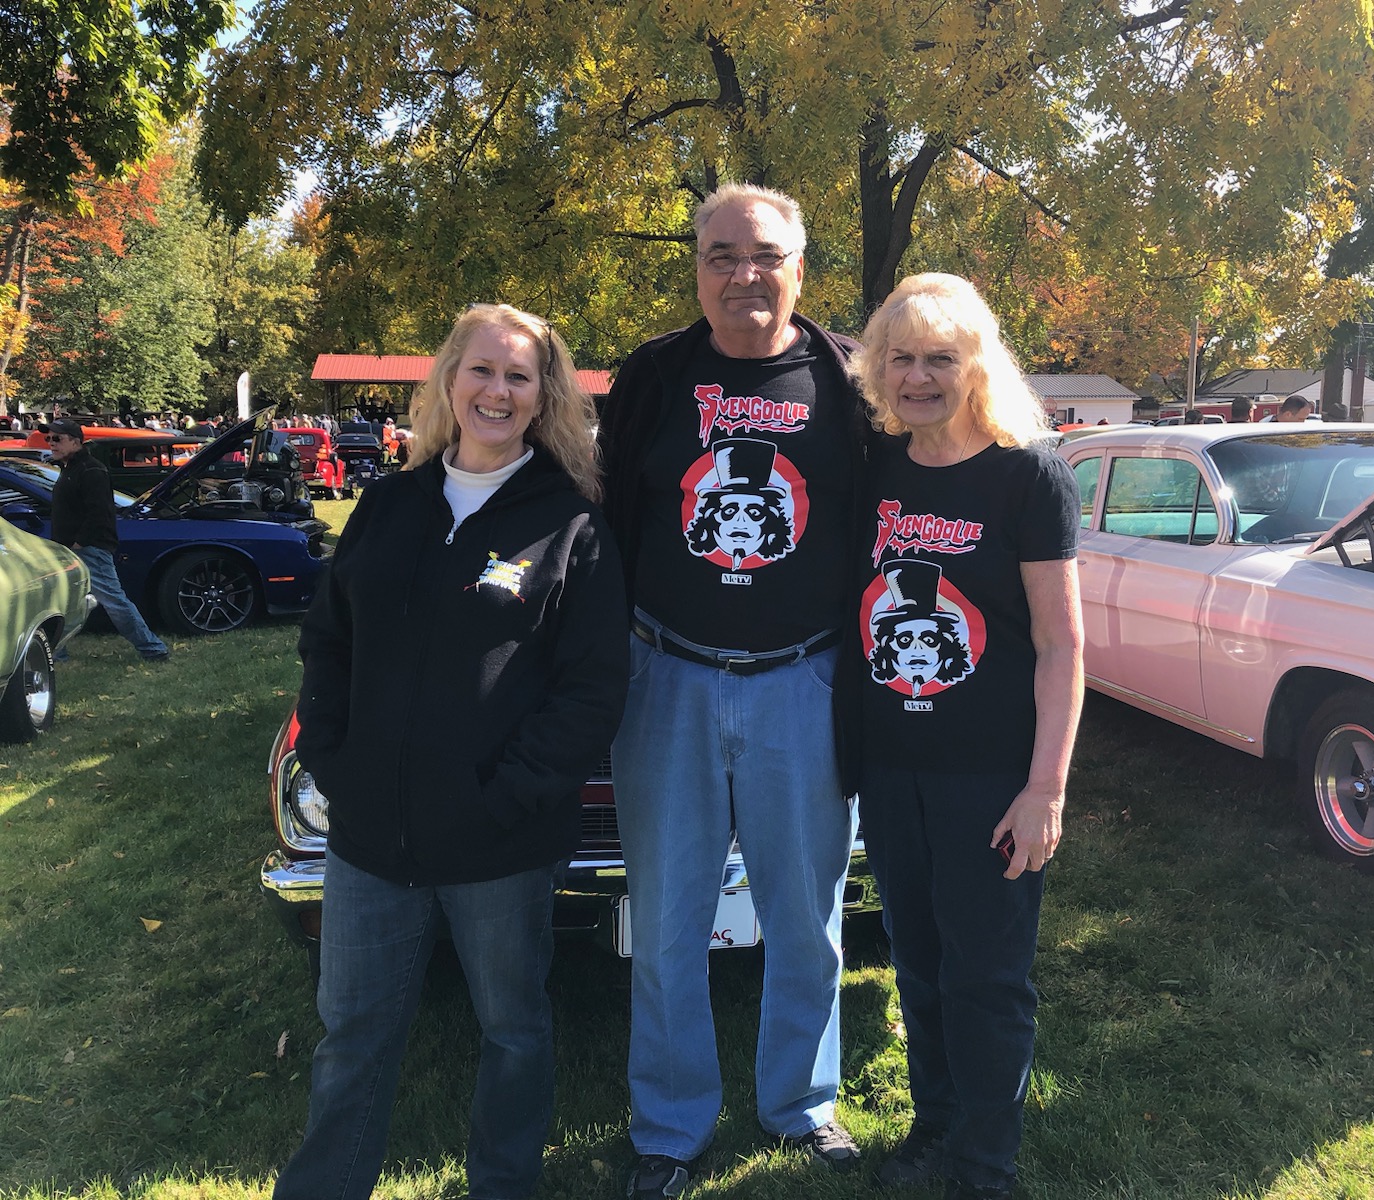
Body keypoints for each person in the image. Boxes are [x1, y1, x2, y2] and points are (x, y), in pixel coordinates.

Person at [274, 303, 629, 1199]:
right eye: (482, 370)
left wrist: (501, 798)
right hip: (369, 841)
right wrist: (336, 760)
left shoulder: (571, 525)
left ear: (544, 396)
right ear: (449, 380)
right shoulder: (389, 504)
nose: (497, 391)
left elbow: (592, 690)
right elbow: (328, 641)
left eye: (518, 376)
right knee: (352, 1037)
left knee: (513, 1032)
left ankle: (502, 1186)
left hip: (499, 844)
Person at [597, 183, 871, 1198]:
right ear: (697, 268)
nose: (743, 274)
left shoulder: (850, 378)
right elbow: (604, 511)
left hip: (804, 678)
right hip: (665, 675)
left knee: (806, 915)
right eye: (721, 255)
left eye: (764, 256)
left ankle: (801, 1103)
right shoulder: (654, 376)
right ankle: (670, 1128)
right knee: (668, 921)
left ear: (800, 266)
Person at [847, 274, 1085, 1200]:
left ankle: (987, 1162)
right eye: (901, 358)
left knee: (987, 976)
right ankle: (935, 1123)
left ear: (976, 364)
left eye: (940, 358)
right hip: (891, 768)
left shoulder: (1028, 474)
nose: (918, 377)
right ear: (878, 369)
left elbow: (1061, 645)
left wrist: (1045, 789)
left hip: (991, 775)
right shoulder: (877, 467)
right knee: (917, 961)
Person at [45, 419, 170, 663]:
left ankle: (153, 648)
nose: (51, 443)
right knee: (65, 601)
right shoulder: (69, 468)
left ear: (75, 442)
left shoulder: (91, 470)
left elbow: (100, 514)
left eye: (57, 438)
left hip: (90, 549)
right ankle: (56, 652)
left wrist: (80, 543)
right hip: (70, 549)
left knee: (114, 601)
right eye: (49, 438)